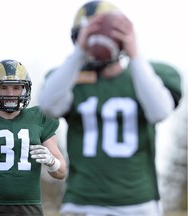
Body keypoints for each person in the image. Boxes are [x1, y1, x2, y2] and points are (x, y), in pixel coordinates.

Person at [38, 1, 182, 216]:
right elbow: (48, 105)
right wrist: (79, 54)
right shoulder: (70, 80)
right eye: (86, 36)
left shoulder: (146, 77)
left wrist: (135, 55)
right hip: (82, 201)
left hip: (138, 203)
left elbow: (160, 111)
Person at [0, 59, 66, 216]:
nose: (10, 93)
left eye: (16, 88)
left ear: (24, 89)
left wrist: (52, 162)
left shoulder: (39, 119)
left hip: (30, 209)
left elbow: (61, 172)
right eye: (4, 87)